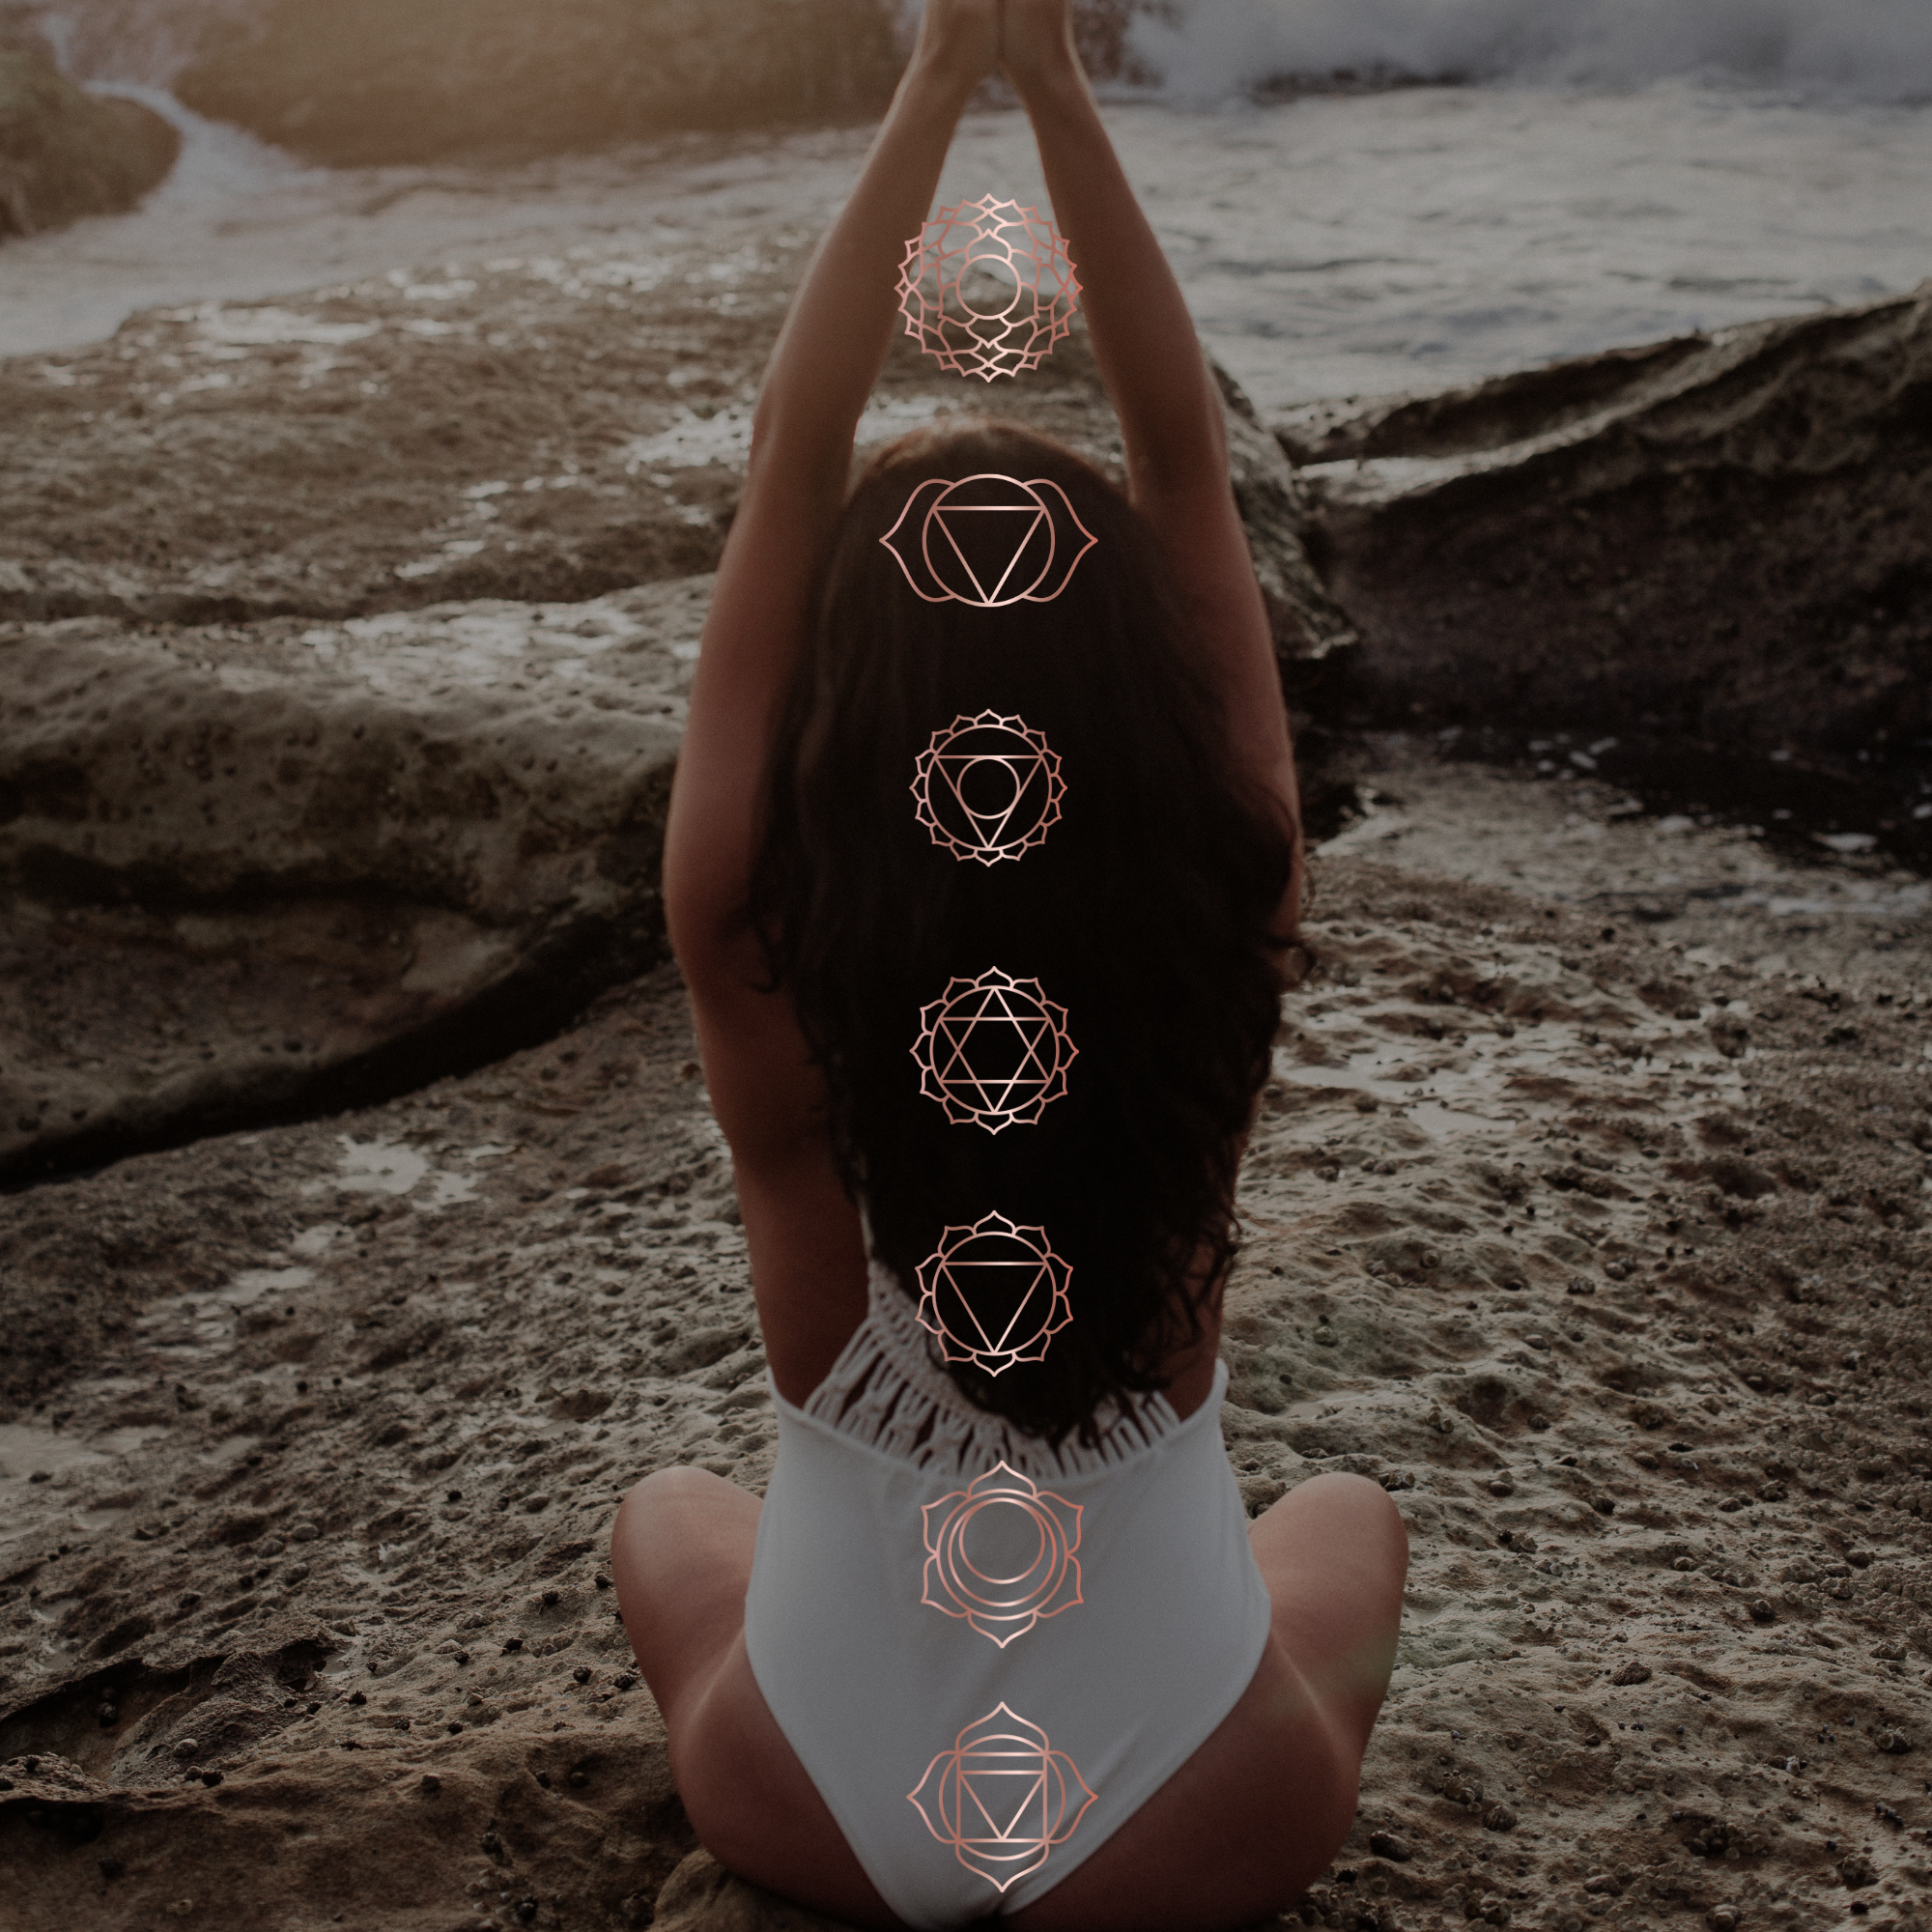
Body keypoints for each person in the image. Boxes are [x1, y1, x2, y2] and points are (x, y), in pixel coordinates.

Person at [610, 3, 1408, 1927]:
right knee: (1353, 1522)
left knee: (662, 1519)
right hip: (1193, 1809)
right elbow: (1179, 460)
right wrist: (1046, 76)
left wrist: (923, 81)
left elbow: (790, 470)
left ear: (843, 727)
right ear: (1131, 711)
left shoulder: (751, 943)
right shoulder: (1226, 903)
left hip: (813, 1793)